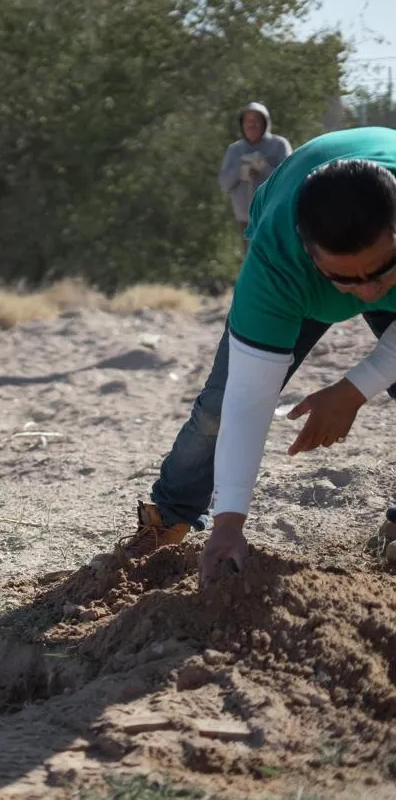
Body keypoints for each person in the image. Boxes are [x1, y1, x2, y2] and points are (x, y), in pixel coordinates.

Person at [120, 126, 396, 583]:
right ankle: (171, 517)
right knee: (217, 407)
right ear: (307, 253)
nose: (367, 292)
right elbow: (247, 400)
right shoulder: (275, 264)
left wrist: (353, 390)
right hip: (290, 236)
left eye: (382, 270)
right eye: (345, 281)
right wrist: (230, 523)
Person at [218, 102, 292, 252]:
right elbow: (224, 183)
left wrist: (264, 168)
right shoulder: (235, 150)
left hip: (273, 215)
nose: (251, 125)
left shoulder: (279, 145)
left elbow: (289, 179)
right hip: (245, 218)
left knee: (276, 257)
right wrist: (240, 170)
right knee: (252, 260)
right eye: (247, 121)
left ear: (265, 123)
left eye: (255, 120)